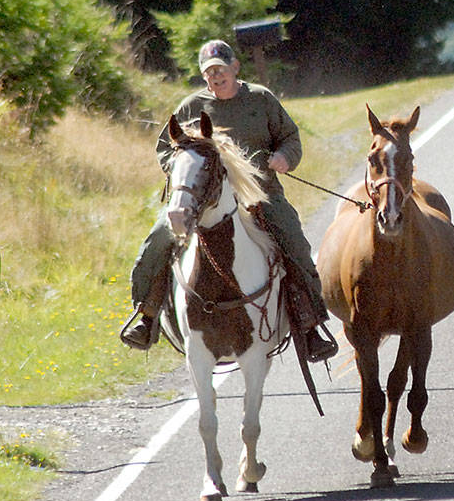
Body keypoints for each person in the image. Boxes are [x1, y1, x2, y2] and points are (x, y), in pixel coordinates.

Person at [121, 39, 339, 362]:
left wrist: (283, 156)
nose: (215, 78)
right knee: (159, 237)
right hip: (203, 199)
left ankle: (310, 325)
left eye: (221, 70)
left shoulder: (261, 100)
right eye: (209, 73)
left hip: (260, 194)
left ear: (235, 68)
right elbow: (166, 147)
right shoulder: (191, 107)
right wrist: (183, 171)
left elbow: (290, 137)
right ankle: (147, 315)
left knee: (293, 241)